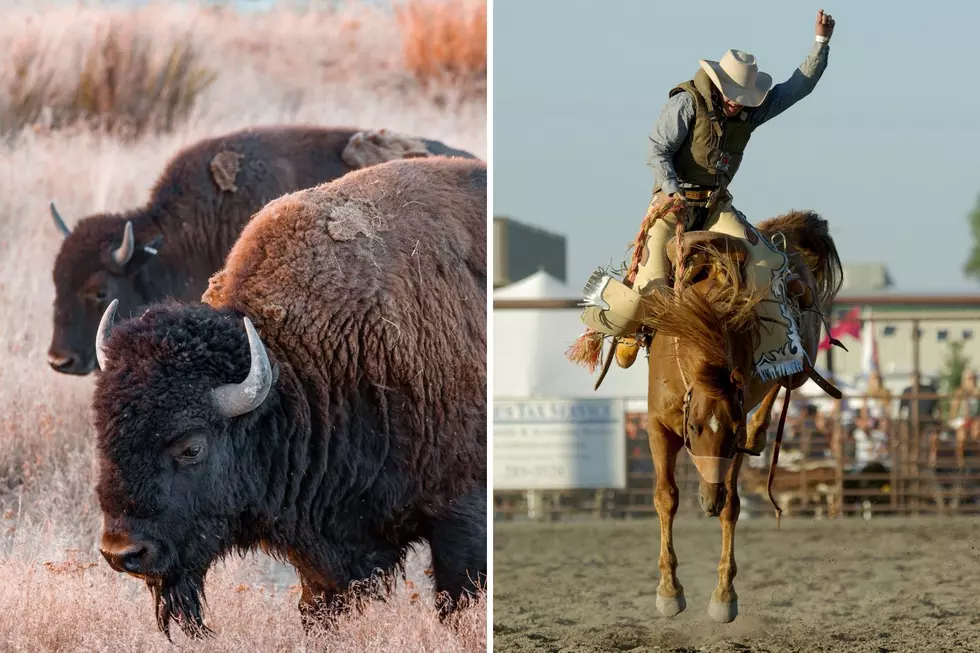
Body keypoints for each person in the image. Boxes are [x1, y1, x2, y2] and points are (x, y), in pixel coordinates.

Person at [577, 10, 835, 379]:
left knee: (767, 261)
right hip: (672, 206)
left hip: (715, 206)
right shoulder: (685, 104)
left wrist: (820, 43)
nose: (736, 104)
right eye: (733, 96)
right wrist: (672, 190)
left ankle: (774, 352)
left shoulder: (751, 112)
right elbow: (657, 150)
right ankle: (630, 329)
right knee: (650, 282)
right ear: (717, 85)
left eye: (743, 99)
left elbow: (798, 87)